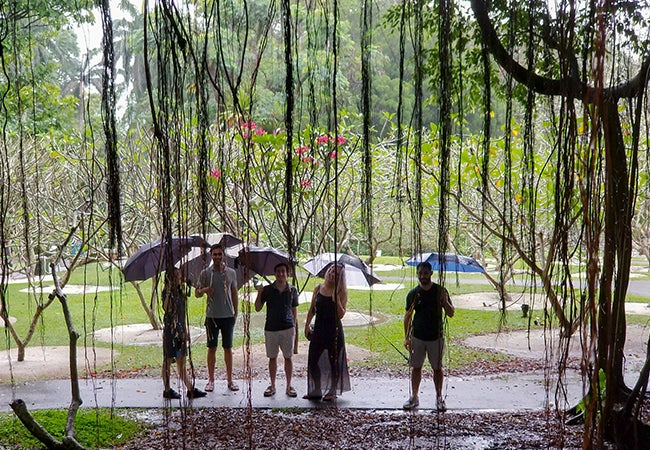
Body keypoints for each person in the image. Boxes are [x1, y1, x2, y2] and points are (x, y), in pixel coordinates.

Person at [403, 261, 455, 411]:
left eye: (425, 273)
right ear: (417, 274)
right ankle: (414, 397)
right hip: (418, 336)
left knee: (437, 368)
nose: (422, 276)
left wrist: (445, 302)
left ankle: (439, 398)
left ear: (431, 274)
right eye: (420, 273)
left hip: (436, 337)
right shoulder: (413, 294)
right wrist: (407, 337)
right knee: (416, 367)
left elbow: (451, 313)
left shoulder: (440, 291)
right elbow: (407, 317)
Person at [195, 243, 239, 392]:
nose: (217, 257)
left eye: (220, 254)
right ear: (211, 256)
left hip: (227, 316)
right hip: (212, 316)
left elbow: (234, 293)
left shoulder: (231, 273)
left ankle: (230, 380)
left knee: (228, 348)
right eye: (215, 254)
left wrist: (236, 312)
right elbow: (197, 293)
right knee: (211, 348)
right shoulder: (205, 273)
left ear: (223, 255)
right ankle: (211, 380)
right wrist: (204, 290)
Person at [303, 263, 351, 401]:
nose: (332, 274)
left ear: (340, 277)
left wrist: (336, 300)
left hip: (334, 330)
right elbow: (312, 309)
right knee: (313, 360)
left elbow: (341, 315)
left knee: (333, 361)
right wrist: (307, 326)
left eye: (336, 273)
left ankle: (332, 390)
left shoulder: (341, 292)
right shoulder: (318, 288)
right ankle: (316, 389)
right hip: (318, 328)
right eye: (331, 270)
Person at [254, 262, 299, 398]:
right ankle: (272, 385)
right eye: (278, 271)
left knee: (288, 358)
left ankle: (288, 385)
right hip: (271, 329)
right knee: (272, 358)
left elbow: (294, 310)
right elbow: (257, 307)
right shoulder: (267, 289)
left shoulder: (292, 290)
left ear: (287, 273)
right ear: (275, 274)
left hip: (287, 328)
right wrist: (260, 293)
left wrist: (293, 328)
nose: (280, 274)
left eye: (283, 271)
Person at [161, 268, 207, 399]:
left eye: (179, 276)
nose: (179, 279)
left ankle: (190, 389)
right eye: (176, 277)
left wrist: (185, 331)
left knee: (182, 361)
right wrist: (169, 291)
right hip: (170, 331)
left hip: (180, 331)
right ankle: (167, 389)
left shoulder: (181, 293)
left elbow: (182, 314)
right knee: (168, 360)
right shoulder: (167, 293)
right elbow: (166, 308)